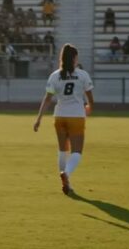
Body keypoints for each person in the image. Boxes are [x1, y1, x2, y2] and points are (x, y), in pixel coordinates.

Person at [33, 44, 94, 195]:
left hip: (59, 115)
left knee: (62, 150)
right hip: (76, 116)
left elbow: (47, 98)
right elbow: (90, 96)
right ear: (74, 58)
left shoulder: (55, 75)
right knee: (77, 151)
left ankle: (66, 182)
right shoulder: (82, 75)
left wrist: (39, 119)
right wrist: (90, 106)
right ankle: (65, 174)